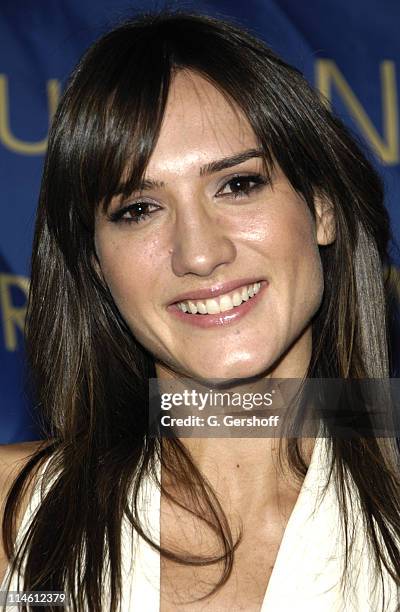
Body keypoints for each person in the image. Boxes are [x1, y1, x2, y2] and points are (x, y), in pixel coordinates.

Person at [1, 8, 400, 612]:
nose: (200, 252)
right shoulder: (14, 519)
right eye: (138, 209)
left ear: (322, 207)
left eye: (238, 184)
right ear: (95, 265)